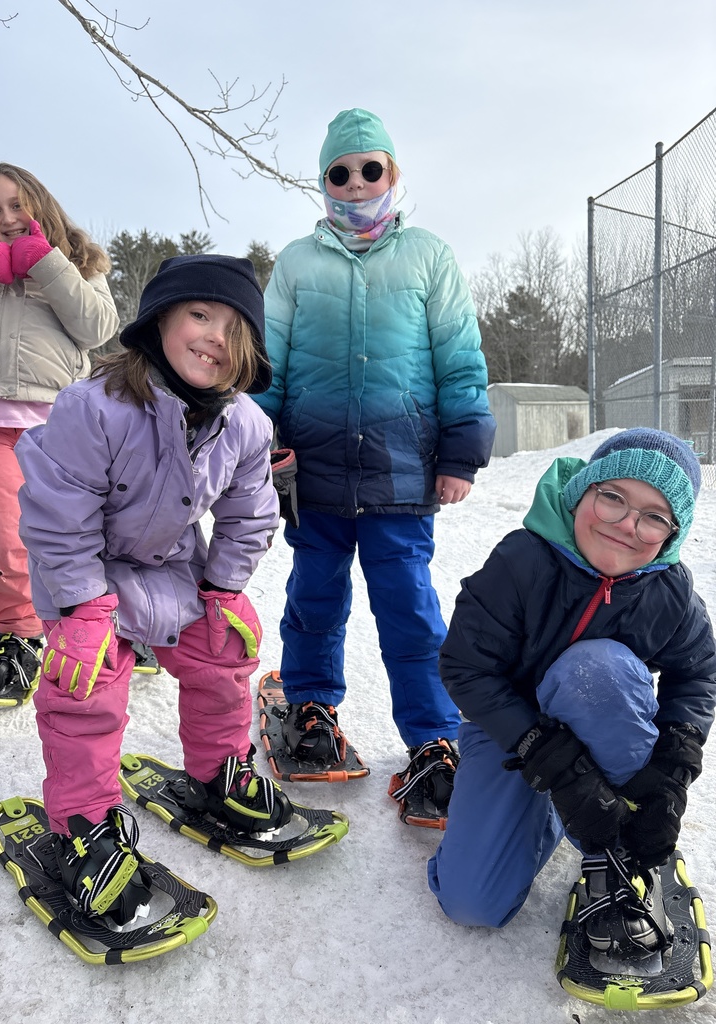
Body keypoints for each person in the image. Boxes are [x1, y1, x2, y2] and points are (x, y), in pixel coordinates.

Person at [14, 253, 300, 925]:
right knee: (85, 679)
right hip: (83, 572)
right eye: (200, 315)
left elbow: (251, 511)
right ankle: (83, 826)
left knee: (223, 652)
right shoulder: (95, 407)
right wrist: (83, 605)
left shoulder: (247, 426)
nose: (214, 339)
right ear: (160, 322)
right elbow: (58, 510)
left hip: (169, 568)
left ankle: (215, 774)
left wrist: (226, 587)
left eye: (236, 329)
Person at [254, 108, 496, 816]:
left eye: (371, 168)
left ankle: (432, 738)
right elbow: (266, 365)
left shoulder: (429, 257)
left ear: (392, 174)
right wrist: (262, 443)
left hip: (402, 472)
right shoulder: (298, 262)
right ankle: (310, 707)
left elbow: (459, 360)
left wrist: (461, 454)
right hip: (316, 474)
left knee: (411, 613)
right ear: (323, 181)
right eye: (341, 171)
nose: (356, 182)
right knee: (315, 599)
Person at [428, 428, 716, 958]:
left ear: (672, 534)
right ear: (583, 492)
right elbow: (466, 668)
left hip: (601, 715)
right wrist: (546, 756)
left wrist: (674, 765)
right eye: (614, 498)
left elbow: (697, 674)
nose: (628, 525)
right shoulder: (521, 561)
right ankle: (565, 806)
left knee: (594, 667)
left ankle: (624, 853)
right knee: (473, 904)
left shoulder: (671, 591)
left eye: (655, 516)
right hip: (511, 732)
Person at [0, 162, 119, 704]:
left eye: (17, 205)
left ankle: (102, 625)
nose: (7, 218)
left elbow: (97, 327)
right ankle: (17, 637)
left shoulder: (76, 261)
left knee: (75, 534)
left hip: (59, 420)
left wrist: (47, 264)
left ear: (39, 205)